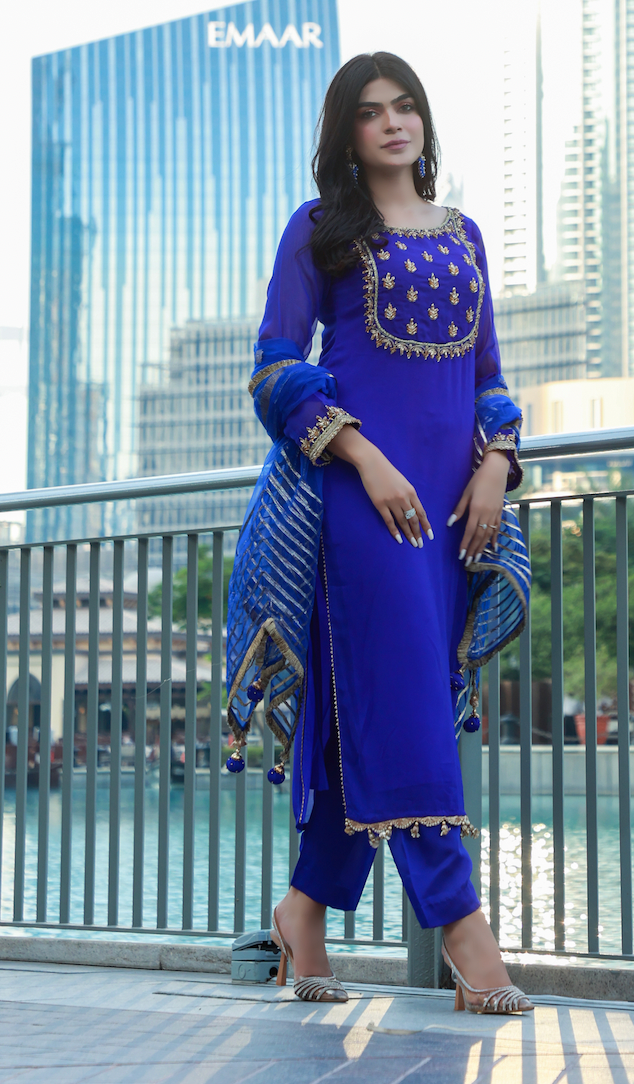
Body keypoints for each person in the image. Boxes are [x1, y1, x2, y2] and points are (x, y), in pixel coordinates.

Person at [225, 52, 532, 1015]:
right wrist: (363, 456)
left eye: (407, 107)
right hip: (363, 498)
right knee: (406, 702)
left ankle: (302, 914)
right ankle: (464, 929)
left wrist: (496, 465)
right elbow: (275, 365)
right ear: (346, 133)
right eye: (371, 112)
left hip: (452, 510)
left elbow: (488, 376)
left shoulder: (465, 234)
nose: (394, 123)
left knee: (368, 701)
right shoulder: (320, 229)